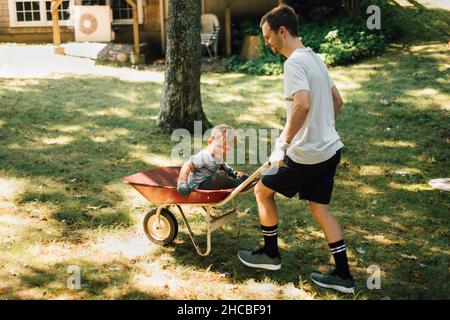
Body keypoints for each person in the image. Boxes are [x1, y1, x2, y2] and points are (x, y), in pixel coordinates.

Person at [237, 5, 355, 294]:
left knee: (261, 191)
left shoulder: (293, 63)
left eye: (268, 37)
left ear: (282, 31)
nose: (267, 42)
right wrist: (321, 128)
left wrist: (283, 144)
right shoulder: (315, 58)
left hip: (308, 153)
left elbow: (302, 104)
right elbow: (337, 101)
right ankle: (343, 275)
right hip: (330, 149)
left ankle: (270, 254)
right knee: (320, 209)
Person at [177, 124, 248, 196]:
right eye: (220, 147)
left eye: (227, 149)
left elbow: (224, 166)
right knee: (220, 175)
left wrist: (234, 173)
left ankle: (238, 181)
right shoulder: (204, 156)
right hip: (198, 188)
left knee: (223, 173)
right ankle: (238, 184)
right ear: (210, 141)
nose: (223, 151)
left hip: (210, 184)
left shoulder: (218, 156)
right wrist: (182, 183)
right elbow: (187, 165)